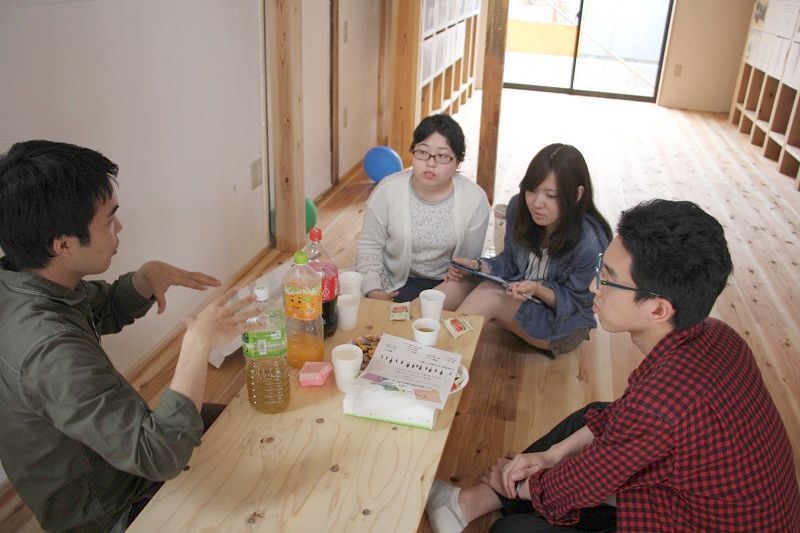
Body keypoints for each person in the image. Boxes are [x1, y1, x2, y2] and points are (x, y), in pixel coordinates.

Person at [426, 199, 800, 532]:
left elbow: (580, 481)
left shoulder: (663, 405)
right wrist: (549, 456)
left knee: (514, 529)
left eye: (609, 279)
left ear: (658, 308)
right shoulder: (716, 333)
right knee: (592, 417)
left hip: (686, 518)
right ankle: (466, 505)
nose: (593, 287)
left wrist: (519, 482)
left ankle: (475, 501)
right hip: (716, 499)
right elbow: (622, 418)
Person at [0, 140, 263, 532]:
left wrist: (143, 281)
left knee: (231, 422)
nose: (119, 227)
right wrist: (196, 345)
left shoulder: (23, 278)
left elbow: (94, 307)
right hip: (113, 510)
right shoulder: (49, 350)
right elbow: (159, 454)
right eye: (108, 220)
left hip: (108, 463)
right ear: (63, 245)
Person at [441, 144, 611, 356]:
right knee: (458, 281)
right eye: (531, 189)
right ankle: (395, 334)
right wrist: (478, 265)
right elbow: (511, 261)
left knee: (489, 295)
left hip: (561, 324)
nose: (537, 203)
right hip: (517, 294)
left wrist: (538, 290)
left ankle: (437, 360)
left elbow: (579, 303)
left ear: (577, 194)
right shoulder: (518, 208)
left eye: (551, 195)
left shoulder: (590, 242)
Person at [356, 114, 490, 302]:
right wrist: (374, 290)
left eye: (442, 156)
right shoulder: (388, 190)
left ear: (457, 162)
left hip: (446, 283)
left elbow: (467, 262)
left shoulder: (474, 199)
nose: (430, 162)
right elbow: (369, 248)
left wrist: (461, 271)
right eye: (422, 152)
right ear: (412, 152)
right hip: (392, 281)